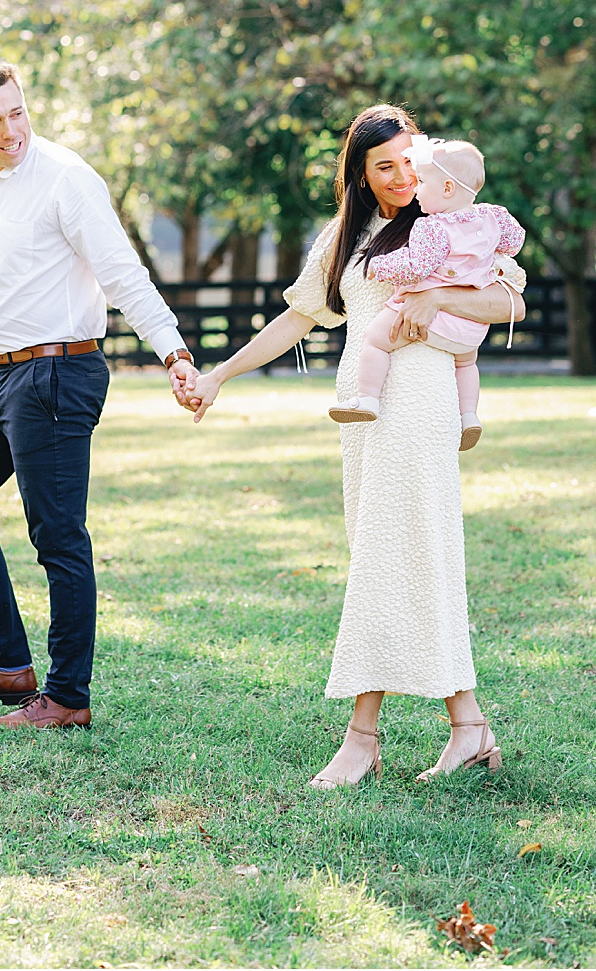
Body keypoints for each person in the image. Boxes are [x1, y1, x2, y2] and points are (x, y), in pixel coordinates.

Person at [182, 104, 526, 786]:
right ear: (362, 173)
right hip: (361, 403)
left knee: (386, 555)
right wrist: (219, 373)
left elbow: (511, 299)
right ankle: (469, 725)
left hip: (420, 397)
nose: (402, 176)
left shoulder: (445, 215)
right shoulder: (348, 233)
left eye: (408, 161)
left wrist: (442, 302)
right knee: (399, 555)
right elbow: (298, 318)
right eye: (385, 166)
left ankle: (362, 739)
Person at [0, 60, 195, 730]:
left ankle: (68, 697)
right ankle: (6, 663)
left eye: (17, 111)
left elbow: (123, 274)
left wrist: (174, 351)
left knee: (57, 537)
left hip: (56, 373)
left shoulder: (66, 179)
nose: (11, 128)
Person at [328, 134, 525, 451]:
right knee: (466, 365)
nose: (414, 188)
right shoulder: (493, 217)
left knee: (376, 342)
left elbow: (416, 266)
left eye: (421, 182)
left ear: (447, 189)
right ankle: (470, 417)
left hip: (428, 321)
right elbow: (514, 243)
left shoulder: (432, 227)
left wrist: (381, 265)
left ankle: (367, 399)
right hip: (469, 329)